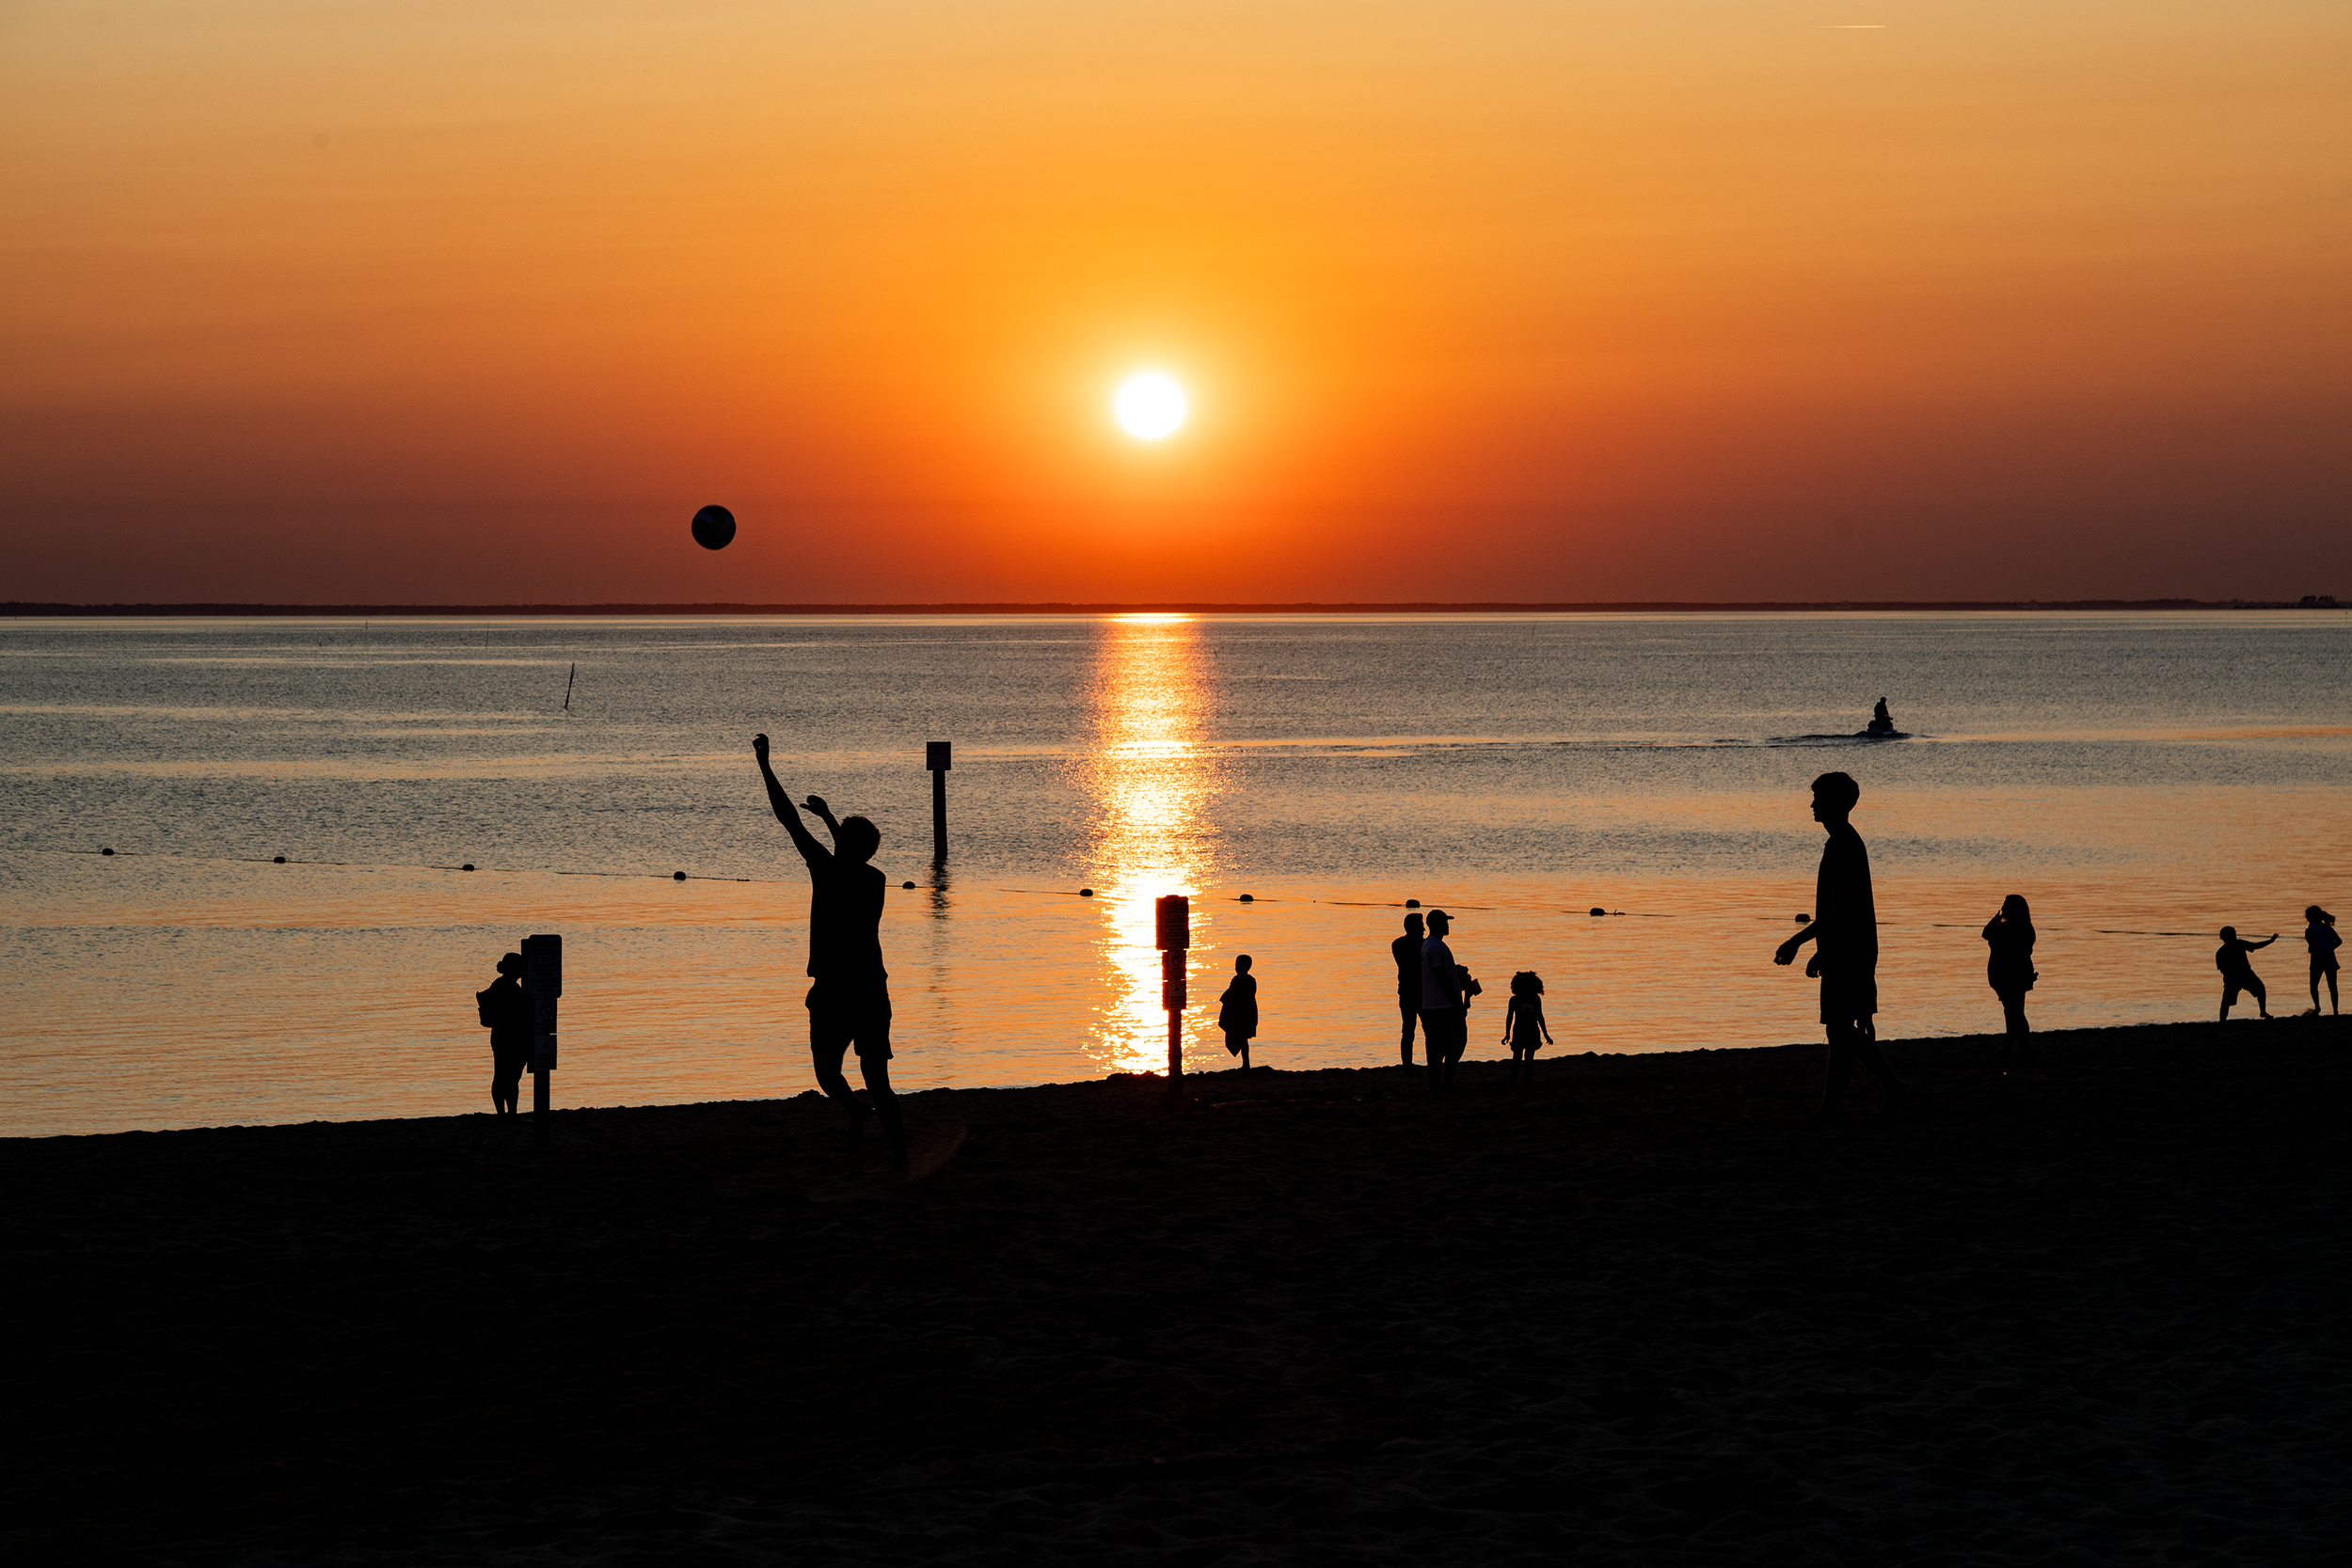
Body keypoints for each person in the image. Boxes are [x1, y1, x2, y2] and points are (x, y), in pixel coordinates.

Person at [754, 732, 906, 1171]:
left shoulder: (826, 870)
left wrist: (766, 765)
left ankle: (853, 1108)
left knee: (828, 1076)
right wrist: (830, 818)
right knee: (879, 1082)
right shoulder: (874, 880)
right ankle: (899, 1157)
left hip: (834, 992)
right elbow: (851, 852)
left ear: (842, 846)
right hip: (871, 992)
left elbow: (786, 818)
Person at [1774, 771, 1905, 1120]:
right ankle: (1884, 1091)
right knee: (1840, 1027)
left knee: (1839, 1027)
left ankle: (1834, 1107)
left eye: (1820, 797)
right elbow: (1844, 910)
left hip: (1852, 950)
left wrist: (1798, 940)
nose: (1813, 804)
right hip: (1847, 947)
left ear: (1839, 802)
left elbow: (1842, 907)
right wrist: (1822, 948)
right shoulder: (1843, 842)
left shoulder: (1843, 845)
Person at [474, 951, 532, 1117]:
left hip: (498, 1035)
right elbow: (522, 1013)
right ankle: (512, 1115)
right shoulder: (514, 989)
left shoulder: (497, 984)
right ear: (515, 968)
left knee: (499, 1076)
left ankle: (501, 1115)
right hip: (514, 1037)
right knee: (513, 1078)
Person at [1981, 895, 2038, 1057]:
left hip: (2011, 976)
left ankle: (2023, 1050)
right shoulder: (2024, 927)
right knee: (2013, 1011)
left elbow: (1986, 934)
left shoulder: (2009, 928)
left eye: (2005, 905)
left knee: (2016, 1013)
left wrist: (1995, 920)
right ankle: (2010, 1047)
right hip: (2014, 975)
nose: (2003, 907)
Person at [1419, 910, 1467, 1092]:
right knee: (1459, 1040)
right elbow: (1440, 975)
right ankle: (1446, 1079)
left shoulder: (1428, 945)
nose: (1447, 925)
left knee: (1439, 1043)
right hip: (1444, 1004)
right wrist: (1456, 1001)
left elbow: (1439, 971)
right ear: (1436, 925)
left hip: (1432, 1003)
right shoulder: (1437, 946)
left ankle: (1436, 1081)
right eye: (1445, 922)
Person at [2215, 927, 2279, 1022]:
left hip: (2241, 976)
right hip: (2239, 976)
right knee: (2226, 1002)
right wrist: (2270, 941)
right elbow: (2256, 946)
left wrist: (2269, 941)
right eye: (2233, 934)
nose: (2235, 936)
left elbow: (2255, 946)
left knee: (2260, 989)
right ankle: (2222, 1020)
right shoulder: (2232, 947)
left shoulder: (2226, 949)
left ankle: (2262, 1012)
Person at [1502, 971, 1552, 1088]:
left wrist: (1546, 1034)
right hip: (1518, 1031)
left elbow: (1540, 1016)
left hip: (1532, 1031)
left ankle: (1526, 1083)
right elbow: (1509, 1017)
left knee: (1529, 1058)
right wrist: (1507, 1034)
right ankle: (1513, 1083)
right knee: (1517, 1058)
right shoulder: (1514, 1000)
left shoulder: (1536, 999)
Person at [1391, 912, 1425, 1067]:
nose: (1424, 929)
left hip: (1407, 992)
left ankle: (1407, 1066)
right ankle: (1414, 1065)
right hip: (1418, 993)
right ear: (1414, 927)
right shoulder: (1422, 945)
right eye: (1421, 925)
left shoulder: (1398, 944)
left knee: (1408, 1031)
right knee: (1426, 1030)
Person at [1217, 955, 1259, 1069]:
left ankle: (1246, 1064)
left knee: (1242, 1039)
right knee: (1244, 1039)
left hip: (1239, 1014)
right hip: (1249, 1013)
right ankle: (1246, 1063)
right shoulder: (1251, 980)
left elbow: (1232, 996)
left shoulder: (1237, 980)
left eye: (1236, 965)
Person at [2304, 906, 2341, 1017]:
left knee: (2314, 985)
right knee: (2332, 985)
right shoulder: (2328, 928)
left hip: (2317, 958)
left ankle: (2317, 1007)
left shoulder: (2309, 930)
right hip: (2330, 956)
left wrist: (2316, 948)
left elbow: (2312, 945)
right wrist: (2330, 947)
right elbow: (2339, 941)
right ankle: (2335, 1011)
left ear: (2309, 917)